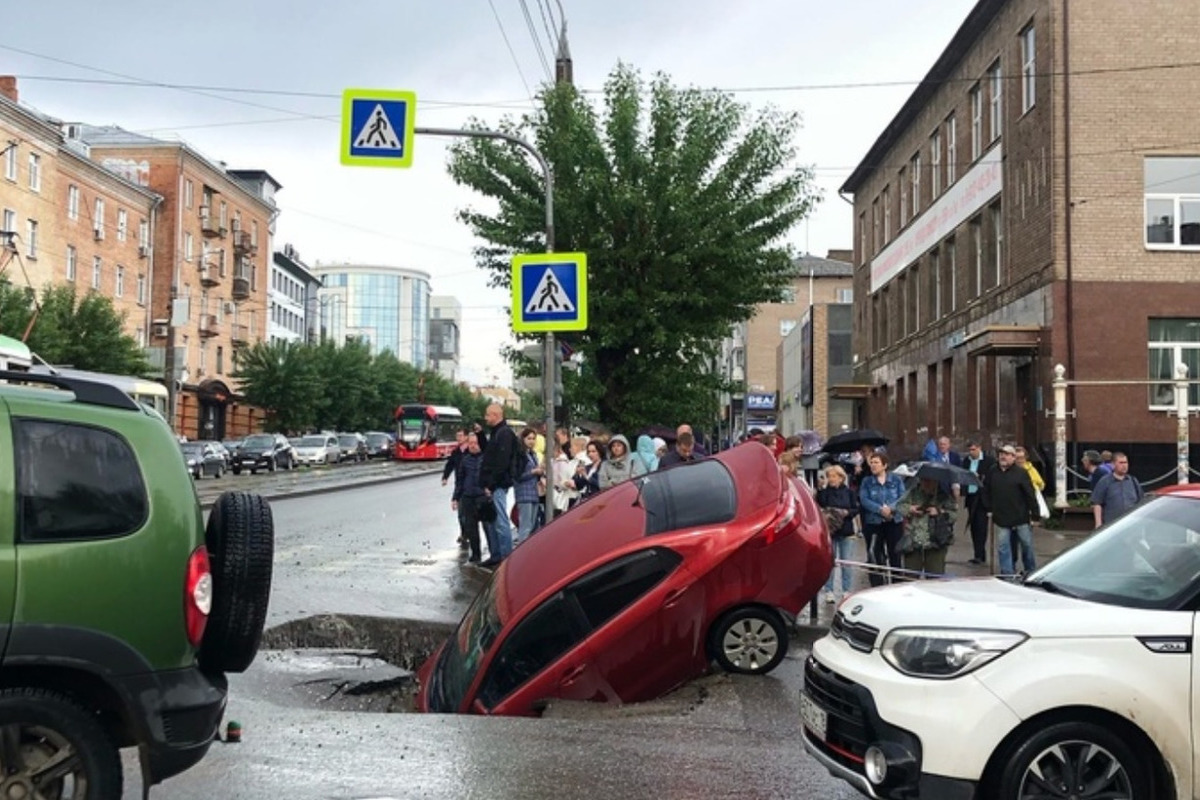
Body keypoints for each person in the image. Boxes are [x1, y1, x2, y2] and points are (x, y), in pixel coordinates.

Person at [982, 445, 1039, 577]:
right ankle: (1007, 572)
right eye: (1001, 454)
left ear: (1013, 457)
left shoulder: (1021, 473)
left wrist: (1035, 515)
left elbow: (1030, 494)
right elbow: (986, 490)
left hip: (1021, 516)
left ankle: (1030, 570)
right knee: (1003, 546)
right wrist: (988, 508)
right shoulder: (992, 471)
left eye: (1007, 454)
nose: (1003, 456)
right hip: (1001, 516)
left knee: (1026, 545)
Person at [479, 404, 519, 567]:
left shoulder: (504, 434)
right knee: (492, 520)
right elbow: (488, 453)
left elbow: (501, 462)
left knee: (500, 521)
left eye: (488, 415)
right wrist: (481, 435)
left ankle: (506, 558)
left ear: (496, 415)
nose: (485, 418)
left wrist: (491, 484)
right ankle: (497, 555)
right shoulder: (498, 432)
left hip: (497, 484)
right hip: (493, 483)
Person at [858, 452, 906, 586]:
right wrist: (880, 509)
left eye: (876, 462)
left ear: (884, 465)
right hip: (874, 523)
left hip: (894, 521)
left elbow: (903, 497)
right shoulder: (867, 482)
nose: (873, 465)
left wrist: (891, 509)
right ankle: (878, 585)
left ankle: (897, 585)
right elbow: (864, 499)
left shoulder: (896, 480)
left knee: (895, 555)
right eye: (871, 463)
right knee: (875, 555)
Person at [897, 476, 958, 578]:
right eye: (923, 480)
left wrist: (939, 512)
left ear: (935, 482)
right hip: (913, 541)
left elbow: (953, 515)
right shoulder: (913, 492)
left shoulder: (944, 496)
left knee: (935, 577)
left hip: (936, 541)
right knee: (910, 577)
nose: (925, 483)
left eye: (929, 481)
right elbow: (899, 506)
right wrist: (910, 509)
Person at [817, 465, 859, 602]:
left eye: (834, 476)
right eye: (829, 476)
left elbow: (856, 508)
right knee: (830, 562)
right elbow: (820, 504)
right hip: (831, 531)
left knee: (846, 562)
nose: (831, 479)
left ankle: (846, 590)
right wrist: (820, 488)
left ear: (841, 478)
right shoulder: (825, 492)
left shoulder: (849, 492)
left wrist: (847, 513)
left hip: (846, 531)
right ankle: (829, 590)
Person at [451, 433, 489, 563]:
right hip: (468, 498)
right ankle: (476, 554)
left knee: (488, 527)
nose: (473, 446)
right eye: (471, 443)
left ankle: (494, 552)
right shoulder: (465, 460)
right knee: (471, 528)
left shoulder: (486, 459)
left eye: (475, 443)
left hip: (482, 498)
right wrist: (455, 497)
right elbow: (460, 480)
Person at [1091, 451, 1144, 528]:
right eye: (1121, 463)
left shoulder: (1133, 481)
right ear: (1113, 465)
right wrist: (1098, 524)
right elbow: (1097, 503)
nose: (1124, 466)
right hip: (1111, 526)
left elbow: (1140, 502)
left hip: (1131, 525)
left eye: (1125, 463)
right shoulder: (1105, 481)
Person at [963, 440, 995, 565]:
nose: (971, 452)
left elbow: (990, 478)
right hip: (971, 496)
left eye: (974, 450)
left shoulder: (988, 461)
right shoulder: (967, 461)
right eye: (970, 450)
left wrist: (979, 476)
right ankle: (977, 553)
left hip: (982, 498)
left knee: (981, 527)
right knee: (973, 527)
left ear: (979, 448)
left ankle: (980, 555)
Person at [512, 428, 545, 546]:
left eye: (533, 439)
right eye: (529, 438)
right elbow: (517, 476)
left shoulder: (533, 454)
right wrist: (533, 472)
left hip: (534, 492)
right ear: (523, 439)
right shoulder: (520, 455)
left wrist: (540, 472)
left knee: (532, 526)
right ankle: (521, 551)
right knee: (525, 526)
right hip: (524, 493)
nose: (531, 441)